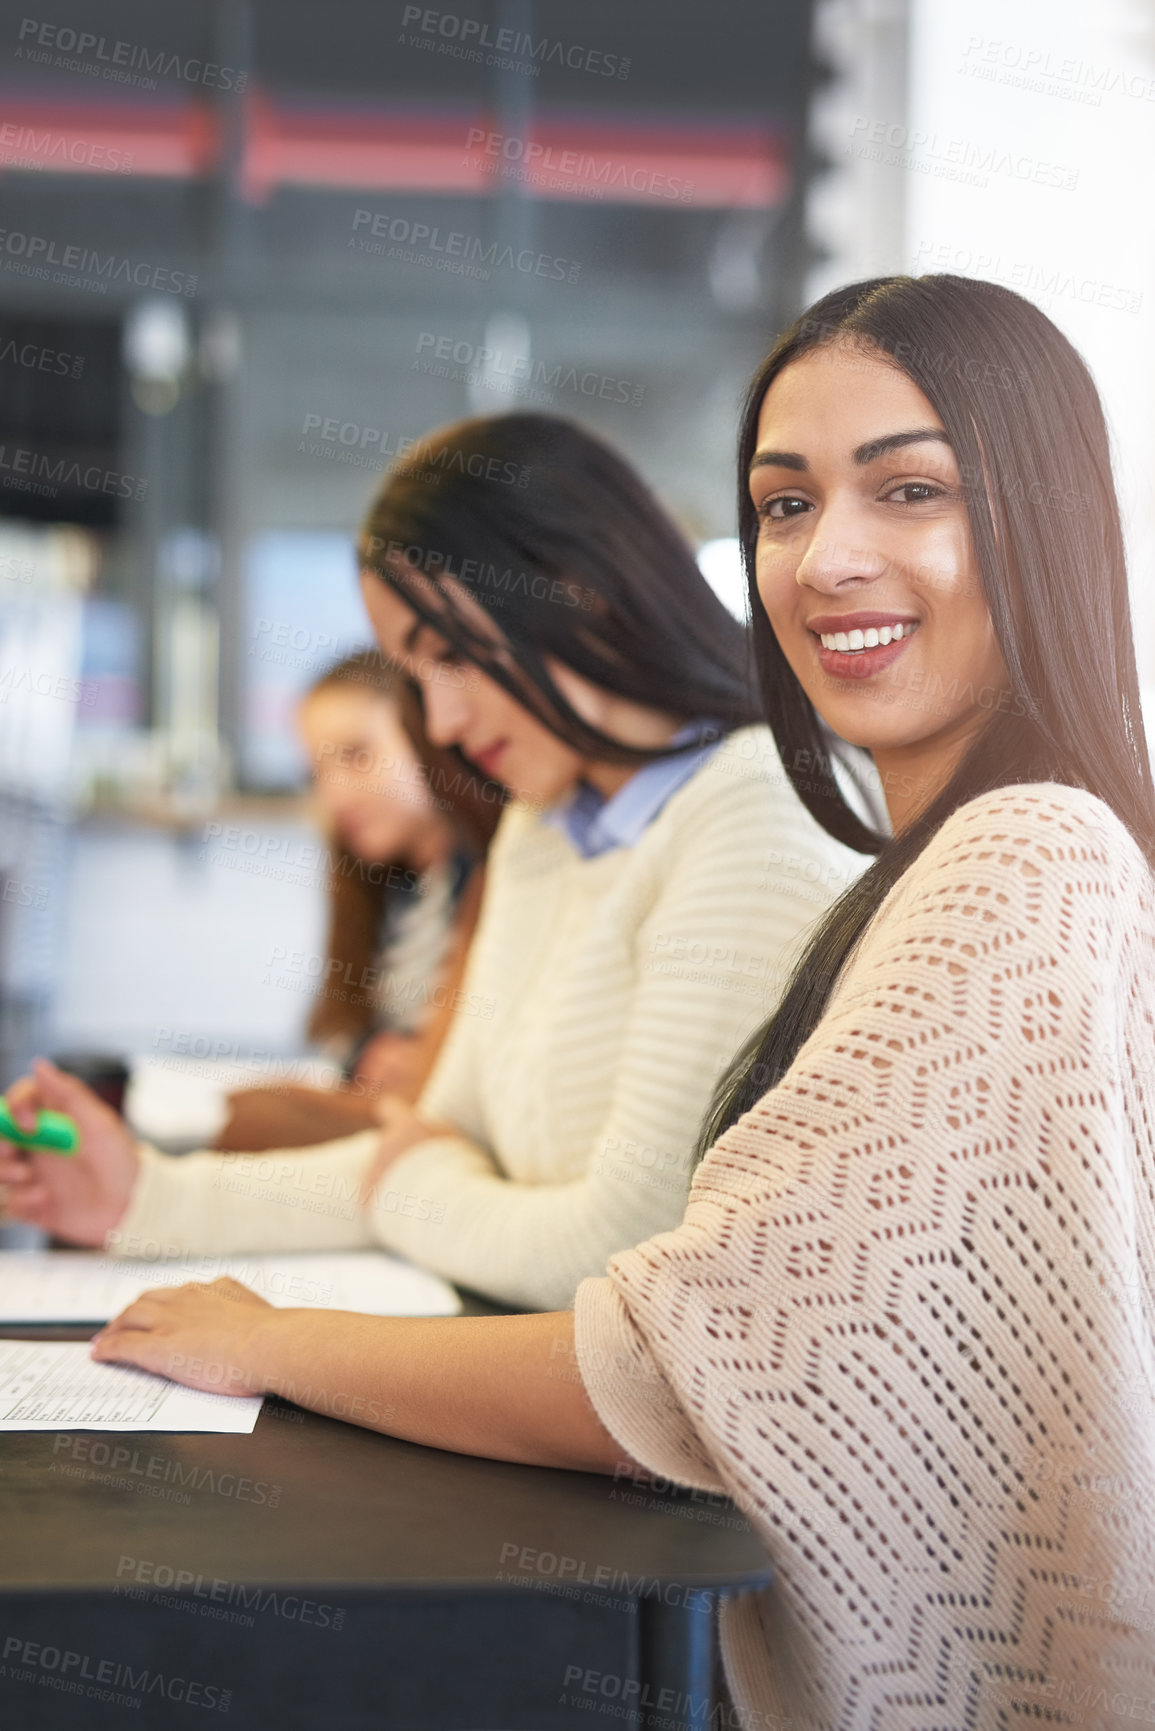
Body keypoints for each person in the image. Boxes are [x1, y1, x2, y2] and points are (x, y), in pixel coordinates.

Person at [1, 414, 866, 1311]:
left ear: (579, 592)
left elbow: (623, 1249)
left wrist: (416, 1182)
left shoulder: (758, 805)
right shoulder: (547, 822)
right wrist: (137, 1197)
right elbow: (434, 1138)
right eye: (417, 678)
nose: (443, 723)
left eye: (451, 656)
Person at [215, 650, 499, 1152]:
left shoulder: (492, 877)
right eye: (317, 772)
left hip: (446, 1143)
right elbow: (352, 1040)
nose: (335, 795)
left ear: (424, 733)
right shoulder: (388, 890)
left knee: (252, 1123)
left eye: (356, 754)